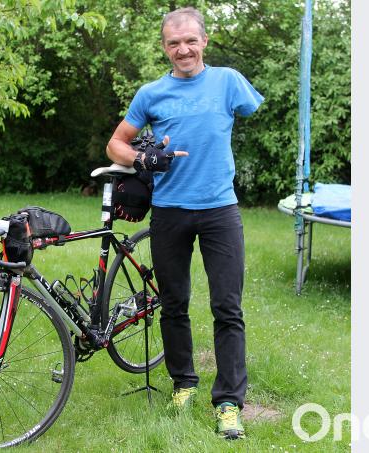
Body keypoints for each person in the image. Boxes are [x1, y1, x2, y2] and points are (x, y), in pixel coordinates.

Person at [105, 7, 263, 441]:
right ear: (165, 48)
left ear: (204, 42)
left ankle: (229, 402)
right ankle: (183, 384)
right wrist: (141, 157)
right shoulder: (151, 93)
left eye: (191, 40)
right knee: (172, 305)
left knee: (227, 307)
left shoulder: (229, 81)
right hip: (170, 211)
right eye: (174, 43)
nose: (183, 49)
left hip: (219, 211)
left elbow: (249, 109)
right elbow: (115, 144)